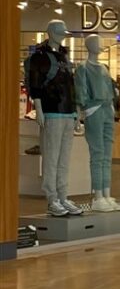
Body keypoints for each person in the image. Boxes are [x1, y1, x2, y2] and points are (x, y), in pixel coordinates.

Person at [25, 19, 83, 217]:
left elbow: (71, 86)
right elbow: (35, 84)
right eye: (58, 32)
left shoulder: (65, 56)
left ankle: (62, 195)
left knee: (64, 158)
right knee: (51, 157)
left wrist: (75, 112)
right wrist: (39, 109)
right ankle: (52, 198)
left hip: (67, 112)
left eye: (63, 32)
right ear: (50, 32)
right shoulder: (39, 57)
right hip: (51, 111)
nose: (61, 35)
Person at [75, 34, 120, 212]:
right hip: (94, 110)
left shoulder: (103, 67)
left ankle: (106, 194)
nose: (101, 45)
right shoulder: (83, 67)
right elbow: (80, 91)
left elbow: (111, 89)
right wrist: (80, 113)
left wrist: (111, 106)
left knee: (107, 155)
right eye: (98, 42)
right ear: (89, 45)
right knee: (97, 154)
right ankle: (98, 197)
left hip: (107, 109)